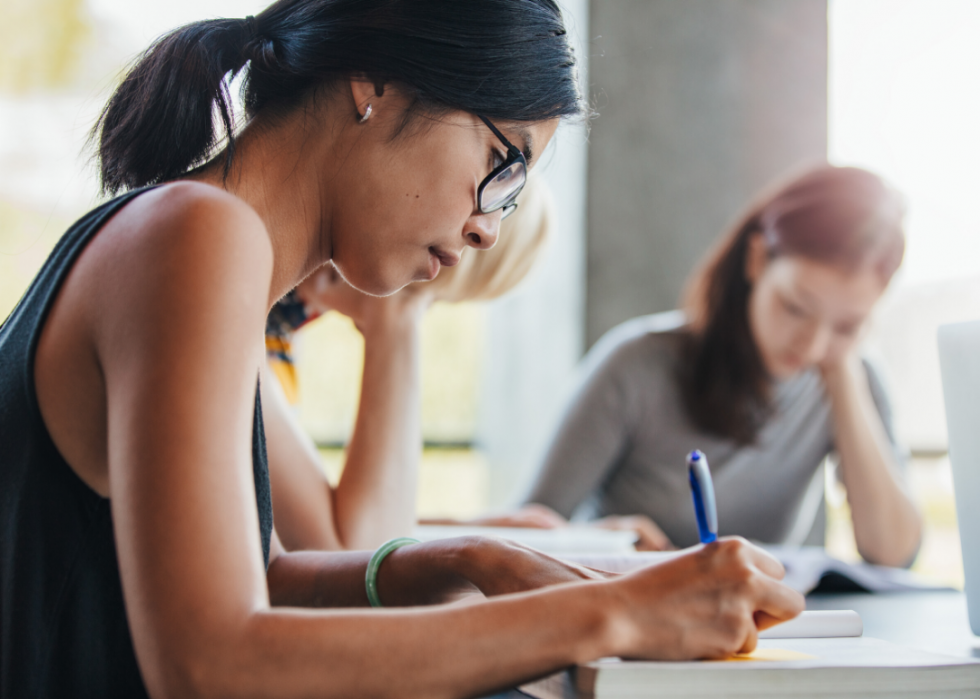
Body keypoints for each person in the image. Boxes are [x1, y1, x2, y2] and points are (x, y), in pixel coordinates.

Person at [0, 1, 804, 697]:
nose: (491, 226)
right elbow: (210, 661)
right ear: (375, 83)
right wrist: (614, 611)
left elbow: (267, 578)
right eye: (502, 162)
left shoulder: (200, 237)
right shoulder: (199, 235)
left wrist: (477, 559)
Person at [519, 165, 922, 567]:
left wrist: (843, 376)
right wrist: (601, 544)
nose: (814, 345)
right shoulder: (637, 364)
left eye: (848, 325)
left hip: (759, 625)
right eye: (796, 308)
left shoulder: (852, 376)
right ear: (758, 259)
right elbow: (523, 534)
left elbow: (893, 554)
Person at [263, 174, 557, 551]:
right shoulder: (252, 311)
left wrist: (459, 527)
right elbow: (359, 557)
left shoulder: (284, 326)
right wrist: (396, 320)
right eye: (429, 298)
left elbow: (290, 518)